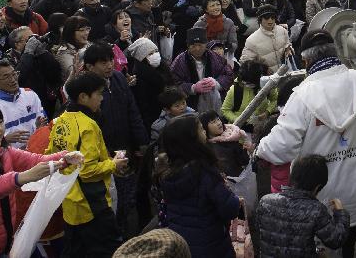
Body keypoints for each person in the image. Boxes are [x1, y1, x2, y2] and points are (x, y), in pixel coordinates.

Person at [254, 31, 356, 256]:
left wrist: (259, 150)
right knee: (347, 242)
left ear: (306, 61)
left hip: (318, 191)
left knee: (321, 247)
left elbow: (281, 145)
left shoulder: (302, 95)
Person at [0, 101, 79, 258]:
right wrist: (21, 178)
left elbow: (36, 160)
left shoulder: (3, 152)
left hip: (3, 241)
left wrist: (64, 157)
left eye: (0, 122)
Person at [48, 71, 128, 257]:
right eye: (99, 94)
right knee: (109, 250)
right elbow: (88, 171)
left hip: (69, 200)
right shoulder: (87, 125)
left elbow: (51, 156)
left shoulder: (60, 121)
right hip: (91, 202)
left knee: (75, 250)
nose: (102, 98)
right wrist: (113, 164)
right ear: (83, 97)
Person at [82, 42, 148, 236]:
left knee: (128, 196)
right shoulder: (85, 90)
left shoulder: (118, 78)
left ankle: (127, 233)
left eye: (110, 60)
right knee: (110, 198)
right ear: (89, 66)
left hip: (125, 146)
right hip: (103, 154)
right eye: (103, 62)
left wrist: (141, 141)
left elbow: (132, 110)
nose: (110, 65)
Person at [155, 114, 242, 258]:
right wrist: (232, 197)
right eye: (201, 129)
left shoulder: (165, 171)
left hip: (181, 243)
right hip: (212, 243)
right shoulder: (205, 172)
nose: (204, 132)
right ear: (191, 140)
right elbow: (230, 209)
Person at [255, 154, 350, 258]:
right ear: (317, 187)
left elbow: (260, 230)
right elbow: (336, 240)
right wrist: (341, 213)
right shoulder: (316, 209)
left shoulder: (265, 201)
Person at [0, 60, 47, 150]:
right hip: (9, 158)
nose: (13, 80)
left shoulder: (30, 94)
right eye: (6, 77)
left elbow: (44, 122)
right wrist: (4, 140)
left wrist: (39, 128)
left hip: (37, 151)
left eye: (14, 74)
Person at [170, 27, 234, 111]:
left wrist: (217, 83)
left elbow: (229, 74)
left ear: (206, 44)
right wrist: (193, 88)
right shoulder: (179, 61)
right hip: (191, 104)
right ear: (188, 45)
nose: (197, 49)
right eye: (193, 45)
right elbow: (173, 84)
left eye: (200, 45)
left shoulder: (215, 57)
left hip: (215, 101)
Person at [221, 59, 275, 125]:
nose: (246, 85)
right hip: (241, 127)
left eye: (250, 83)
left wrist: (267, 112)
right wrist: (238, 120)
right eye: (245, 82)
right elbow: (225, 110)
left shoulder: (266, 84)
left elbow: (275, 99)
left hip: (262, 125)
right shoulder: (236, 89)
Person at [241, 5, 291, 72]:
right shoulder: (252, 40)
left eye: (273, 17)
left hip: (286, 73)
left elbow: (288, 44)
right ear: (260, 19)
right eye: (266, 17)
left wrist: (288, 49)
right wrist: (263, 69)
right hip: (267, 79)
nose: (270, 20)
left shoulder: (283, 30)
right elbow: (245, 63)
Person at [199, 110, 249, 176]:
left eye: (218, 119)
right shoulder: (215, 148)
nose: (219, 123)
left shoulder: (230, 135)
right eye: (213, 122)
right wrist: (247, 150)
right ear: (205, 128)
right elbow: (242, 161)